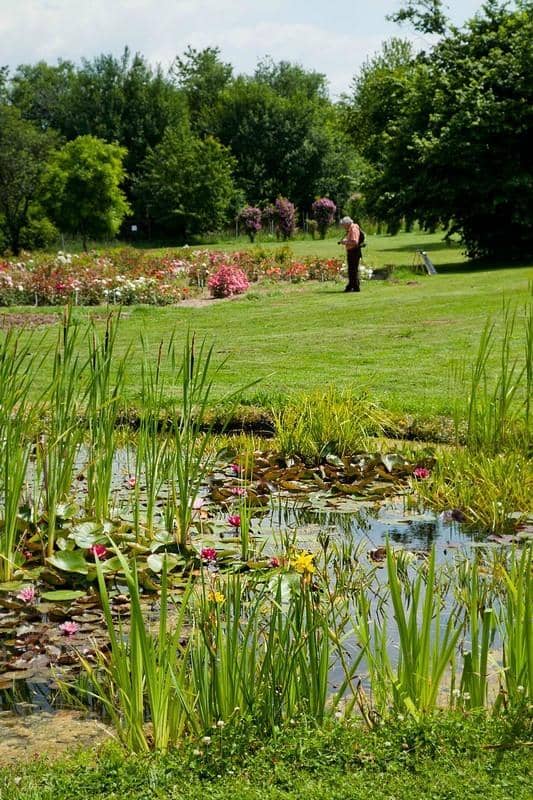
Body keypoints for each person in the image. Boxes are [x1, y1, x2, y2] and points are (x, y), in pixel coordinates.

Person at [339, 216, 361, 292]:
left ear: (347, 224)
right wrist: (347, 240)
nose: (343, 227)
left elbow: (355, 242)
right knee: (352, 270)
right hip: (352, 251)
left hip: (354, 251)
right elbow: (352, 239)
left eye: (343, 225)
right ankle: (354, 286)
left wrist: (345, 242)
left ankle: (354, 286)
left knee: (353, 270)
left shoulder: (353, 229)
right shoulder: (351, 228)